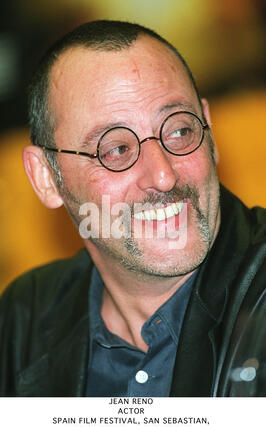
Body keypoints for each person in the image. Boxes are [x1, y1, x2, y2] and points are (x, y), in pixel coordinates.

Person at [0, 20, 265, 397]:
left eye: (180, 131)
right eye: (117, 150)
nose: (163, 176)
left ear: (209, 129)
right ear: (46, 177)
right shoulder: (24, 318)